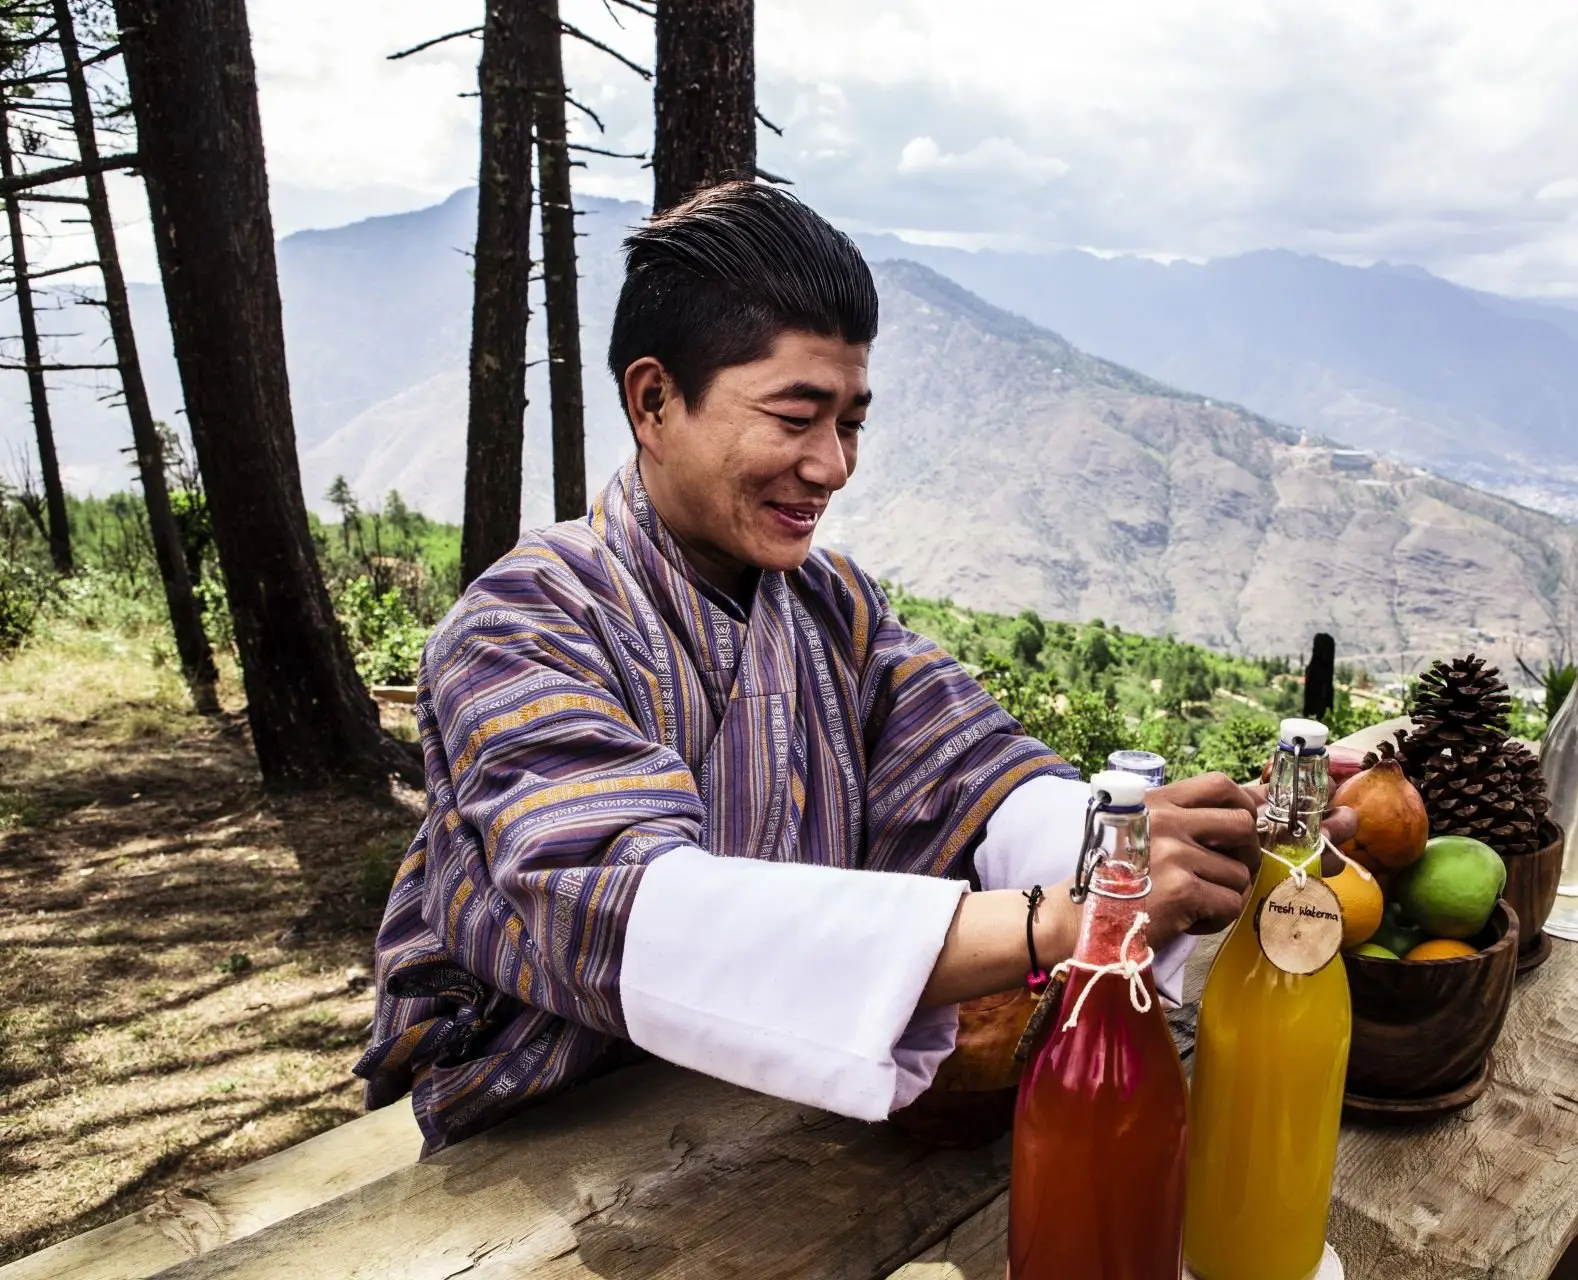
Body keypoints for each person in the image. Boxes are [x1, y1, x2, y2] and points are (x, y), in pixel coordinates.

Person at [356, 182, 1354, 1151]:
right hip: (548, 1141)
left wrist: (1145, 842)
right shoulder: (522, 624)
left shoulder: (834, 608)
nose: (833, 464)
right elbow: (630, 904)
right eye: (795, 417)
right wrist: (1066, 916)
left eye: (852, 422)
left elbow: (982, 780)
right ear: (654, 400)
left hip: (775, 1117)